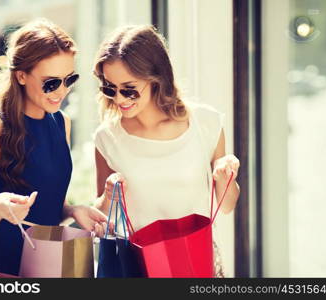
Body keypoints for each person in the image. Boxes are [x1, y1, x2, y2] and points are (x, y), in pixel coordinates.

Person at [92, 25, 240, 276]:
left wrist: (225, 177)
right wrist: (108, 195)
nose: (119, 99)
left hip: (198, 263)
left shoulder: (205, 123)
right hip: (140, 268)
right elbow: (100, 218)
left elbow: (226, 206)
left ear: (156, 78)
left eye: (128, 88)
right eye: (109, 87)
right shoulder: (107, 138)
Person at [0, 18, 107, 276]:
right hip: (2, 267)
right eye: (51, 82)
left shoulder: (61, 122)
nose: (61, 91)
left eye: (69, 79)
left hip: (51, 262)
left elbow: (49, 199)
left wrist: (73, 210)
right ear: (21, 76)